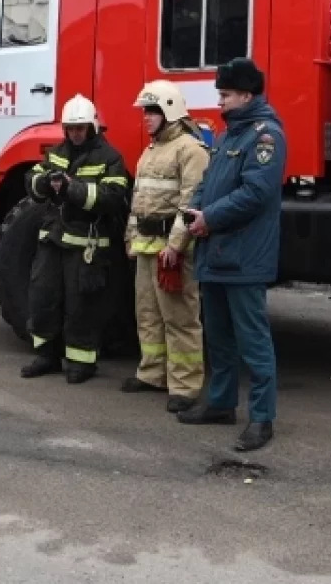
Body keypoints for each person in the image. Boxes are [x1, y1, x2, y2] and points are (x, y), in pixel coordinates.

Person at [177, 58, 285, 453]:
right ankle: (221, 404)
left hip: (243, 256)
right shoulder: (227, 137)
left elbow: (256, 193)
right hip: (217, 251)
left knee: (253, 340)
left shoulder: (265, 136)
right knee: (219, 338)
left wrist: (210, 217)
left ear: (246, 94)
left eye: (224, 94)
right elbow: (209, 182)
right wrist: (195, 210)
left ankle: (262, 418)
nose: (219, 101)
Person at [21, 94, 130, 384]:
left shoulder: (110, 158)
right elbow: (32, 180)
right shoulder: (57, 152)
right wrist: (44, 183)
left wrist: (73, 189)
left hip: (86, 245)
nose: (75, 134)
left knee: (83, 306)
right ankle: (46, 355)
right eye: (70, 128)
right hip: (53, 240)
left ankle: (82, 362)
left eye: (80, 128)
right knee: (42, 297)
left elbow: (113, 198)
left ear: (92, 127)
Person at [122, 81, 210, 413]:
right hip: (147, 247)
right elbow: (138, 199)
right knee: (147, 314)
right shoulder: (151, 150)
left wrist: (175, 246)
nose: (144, 118)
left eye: (150, 111)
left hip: (172, 251)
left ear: (169, 111)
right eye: (144, 111)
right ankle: (152, 373)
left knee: (180, 317)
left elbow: (189, 202)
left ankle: (185, 385)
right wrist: (131, 237)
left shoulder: (191, 150)